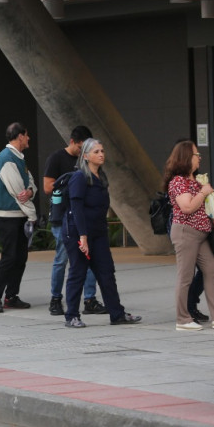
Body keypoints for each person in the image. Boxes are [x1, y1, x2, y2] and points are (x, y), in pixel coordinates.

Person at [63, 139, 142, 328]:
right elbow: (77, 209)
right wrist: (83, 237)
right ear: (86, 156)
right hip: (79, 233)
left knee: (106, 272)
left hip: (98, 232)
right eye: (96, 151)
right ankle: (72, 316)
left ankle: (117, 314)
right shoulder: (80, 177)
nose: (101, 154)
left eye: (102, 150)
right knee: (78, 272)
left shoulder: (101, 177)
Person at [163, 140, 214, 331]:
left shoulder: (193, 181)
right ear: (187, 157)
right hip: (186, 232)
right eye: (196, 155)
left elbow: (199, 208)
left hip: (200, 233)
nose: (199, 158)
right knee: (185, 276)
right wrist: (203, 192)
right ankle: (182, 319)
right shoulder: (178, 181)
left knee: (211, 269)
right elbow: (187, 208)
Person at [43, 126, 104, 317]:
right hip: (63, 218)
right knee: (62, 259)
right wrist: (70, 181)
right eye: (81, 147)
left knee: (88, 257)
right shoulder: (57, 158)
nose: (82, 151)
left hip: (84, 218)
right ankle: (55, 298)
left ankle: (89, 299)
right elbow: (47, 187)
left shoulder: (90, 163)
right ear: (72, 142)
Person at [0, 122, 37, 313]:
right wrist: (32, 213)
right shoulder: (6, 158)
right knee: (9, 258)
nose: (29, 138)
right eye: (27, 135)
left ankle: (11, 296)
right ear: (19, 136)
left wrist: (31, 191)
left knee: (20, 258)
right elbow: (18, 193)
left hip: (19, 215)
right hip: (8, 216)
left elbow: (30, 183)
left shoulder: (19, 158)